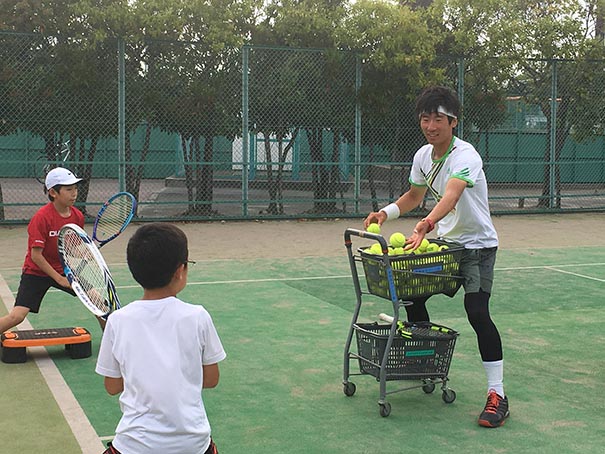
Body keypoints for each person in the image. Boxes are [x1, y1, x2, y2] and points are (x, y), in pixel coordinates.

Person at [363, 86, 509, 428]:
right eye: (425, 118)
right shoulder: (423, 156)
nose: (430, 125)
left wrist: (428, 222)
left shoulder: (466, 156)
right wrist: (385, 214)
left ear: (453, 121)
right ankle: (424, 364)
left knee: (476, 312)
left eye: (438, 118)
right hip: (445, 246)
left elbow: (453, 195)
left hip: (476, 247)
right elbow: (414, 195)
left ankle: (497, 394)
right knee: (412, 294)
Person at [96, 223, 226, 454]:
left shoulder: (118, 321)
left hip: (134, 445)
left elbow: (112, 386)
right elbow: (211, 379)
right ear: (180, 270)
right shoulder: (198, 316)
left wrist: (145, 376)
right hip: (193, 444)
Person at [0, 167, 87, 334]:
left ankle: (112, 341)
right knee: (17, 316)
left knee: (97, 301)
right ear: (53, 192)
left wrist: (83, 254)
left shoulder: (77, 216)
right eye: (69, 189)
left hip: (63, 269)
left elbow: (71, 247)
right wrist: (60, 279)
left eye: (76, 188)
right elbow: (36, 256)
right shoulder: (41, 217)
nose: (74, 193)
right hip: (36, 271)